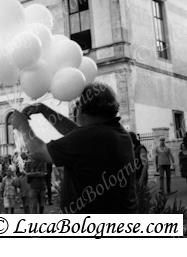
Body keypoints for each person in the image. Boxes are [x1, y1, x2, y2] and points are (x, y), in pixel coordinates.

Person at [15, 82, 138, 214]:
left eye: (78, 104)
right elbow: (75, 132)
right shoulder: (114, 131)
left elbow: (38, 152)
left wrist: (22, 125)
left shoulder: (89, 136)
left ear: (83, 110)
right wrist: (45, 110)